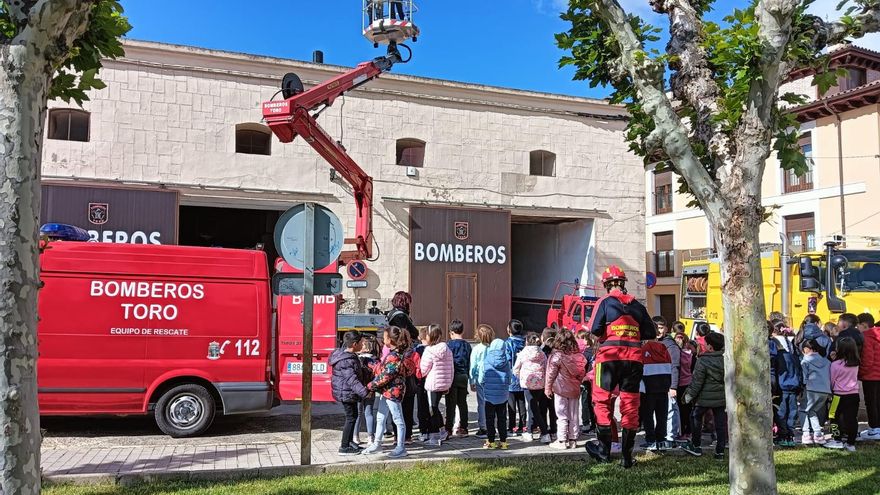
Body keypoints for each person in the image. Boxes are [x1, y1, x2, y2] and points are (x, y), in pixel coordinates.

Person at [585, 265, 657, 468]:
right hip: (633, 360)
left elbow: (594, 329)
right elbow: (651, 333)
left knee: (601, 402)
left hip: (608, 359)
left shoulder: (605, 302)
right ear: (623, 283)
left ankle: (604, 451)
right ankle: (626, 457)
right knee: (630, 405)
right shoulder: (637, 305)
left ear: (607, 285)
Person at [362, 326, 411, 458]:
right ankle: (377, 443)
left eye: (384, 338)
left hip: (393, 392)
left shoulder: (394, 357)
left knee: (398, 419)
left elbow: (386, 375)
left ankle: (401, 447)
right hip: (386, 391)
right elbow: (383, 370)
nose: (383, 340)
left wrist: (370, 386)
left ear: (390, 339)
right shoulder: (392, 354)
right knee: (380, 417)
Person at [682, 332, 728, 460]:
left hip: (703, 398)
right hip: (720, 397)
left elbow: (697, 382)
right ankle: (720, 451)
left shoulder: (703, 360)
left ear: (710, 346)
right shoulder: (726, 359)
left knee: (696, 418)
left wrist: (688, 396)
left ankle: (696, 445)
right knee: (720, 424)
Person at [545, 329, 587, 449]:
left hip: (560, 389)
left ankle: (562, 440)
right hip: (574, 389)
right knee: (573, 414)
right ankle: (573, 439)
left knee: (561, 414)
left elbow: (550, 374)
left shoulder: (557, 356)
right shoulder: (579, 356)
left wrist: (548, 388)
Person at [330, 331, 370, 455]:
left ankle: (349, 442)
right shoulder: (346, 360)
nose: (363, 345)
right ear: (354, 344)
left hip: (348, 392)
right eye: (361, 343)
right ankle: (344, 447)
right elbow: (352, 380)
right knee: (351, 418)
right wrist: (364, 392)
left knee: (354, 416)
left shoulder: (348, 355)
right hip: (346, 393)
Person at [387, 291, 419, 440]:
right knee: (407, 398)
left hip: (394, 359)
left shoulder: (391, 315)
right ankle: (406, 435)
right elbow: (414, 332)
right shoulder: (401, 316)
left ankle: (396, 434)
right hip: (405, 359)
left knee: (395, 400)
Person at [824, 337, 861, 452]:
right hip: (853, 395)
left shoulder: (835, 364)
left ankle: (837, 439)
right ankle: (851, 443)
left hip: (838, 395)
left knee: (833, 416)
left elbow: (832, 379)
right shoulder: (856, 364)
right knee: (851, 419)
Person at [770, 319, 802, 447]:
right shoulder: (792, 349)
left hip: (782, 385)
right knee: (792, 411)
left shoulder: (777, 351)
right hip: (793, 384)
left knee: (781, 412)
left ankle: (783, 435)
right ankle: (790, 434)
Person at [419, 324, 453, 446]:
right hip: (444, 383)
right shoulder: (447, 349)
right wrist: (448, 382)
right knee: (436, 407)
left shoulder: (429, 350)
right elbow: (451, 368)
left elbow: (423, 370)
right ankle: (442, 431)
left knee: (432, 409)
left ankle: (434, 436)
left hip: (433, 384)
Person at [514, 332, 550, 443]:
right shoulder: (542, 353)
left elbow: (516, 368)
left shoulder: (523, 353)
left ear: (527, 341)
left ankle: (540, 432)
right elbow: (546, 367)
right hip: (540, 383)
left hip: (528, 383)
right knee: (533, 407)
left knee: (533, 407)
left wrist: (521, 376)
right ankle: (533, 430)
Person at [478, 335, 511, 450]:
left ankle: (491, 441)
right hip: (503, 396)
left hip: (489, 397)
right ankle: (503, 442)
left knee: (489, 419)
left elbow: (481, 379)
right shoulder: (506, 362)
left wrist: (484, 386)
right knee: (502, 419)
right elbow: (509, 378)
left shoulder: (486, 361)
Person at [639, 337, 672, 452]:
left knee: (648, 415)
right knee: (662, 414)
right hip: (663, 386)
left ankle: (650, 439)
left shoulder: (644, 349)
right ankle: (661, 438)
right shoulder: (664, 348)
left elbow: (639, 366)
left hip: (648, 387)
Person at [654, 316, 681, 449]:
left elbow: (675, 366)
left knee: (671, 410)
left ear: (666, 328)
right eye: (656, 328)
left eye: (660, 328)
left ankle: (670, 437)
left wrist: (673, 386)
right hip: (655, 384)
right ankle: (660, 435)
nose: (658, 331)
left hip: (668, 383)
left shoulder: (670, 345)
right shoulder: (652, 343)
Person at [800, 339, 831, 445]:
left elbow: (804, 377)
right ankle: (818, 434)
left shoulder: (805, 361)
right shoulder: (826, 361)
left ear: (805, 349)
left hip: (811, 389)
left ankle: (806, 434)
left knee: (803, 410)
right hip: (825, 390)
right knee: (812, 411)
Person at [445, 320, 472, 437]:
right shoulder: (467, 345)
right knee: (462, 403)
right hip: (464, 375)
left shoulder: (449, 345)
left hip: (453, 375)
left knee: (450, 404)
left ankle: (448, 428)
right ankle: (464, 427)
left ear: (451, 332)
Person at [354, 335, 380, 446]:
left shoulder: (356, 359)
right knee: (369, 413)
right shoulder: (374, 360)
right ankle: (371, 437)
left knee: (358, 414)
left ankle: (355, 436)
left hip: (358, 389)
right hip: (370, 389)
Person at [503, 319, 527, 437]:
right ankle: (523, 426)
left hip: (512, 378)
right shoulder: (525, 342)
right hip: (523, 377)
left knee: (511, 404)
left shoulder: (508, 343)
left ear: (509, 330)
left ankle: (511, 426)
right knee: (522, 403)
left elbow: (507, 360)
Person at [470, 325, 494, 439]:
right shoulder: (494, 347)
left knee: (481, 403)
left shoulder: (476, 349)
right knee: (493, 402)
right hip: (493, 378)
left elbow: (473, 366)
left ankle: (483, 427)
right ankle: (492, 425)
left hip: (481, 379)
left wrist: (472, 380)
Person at [859, 315, 880, 440]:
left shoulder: (867, 337)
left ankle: (874, 429)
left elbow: (867, 359)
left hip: (870, 376)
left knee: (871, 403)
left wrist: (861, 373)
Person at [674, 333, 696, 444]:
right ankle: (689, 431)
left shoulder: (676, 354)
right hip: (689, 383)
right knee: (688, 409)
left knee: (680, 410)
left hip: (679, 384)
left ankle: (681, 433)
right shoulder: (690, 355)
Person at [541, 327, 559, 441]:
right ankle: (554, 430)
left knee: (543, 408)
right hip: (556, 384)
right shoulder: (557, 351)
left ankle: (544, 431)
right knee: (554, 409)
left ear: (542, 338)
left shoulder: (541, 351)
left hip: (543, 384)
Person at [577, 330, 597, 434]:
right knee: (594, 403)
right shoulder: (597, 350)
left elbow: (581, 366)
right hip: (595, 381)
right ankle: (595, 424)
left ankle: (587, 424)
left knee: (585, 402)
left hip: (586, 380)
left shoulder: (586, 353)